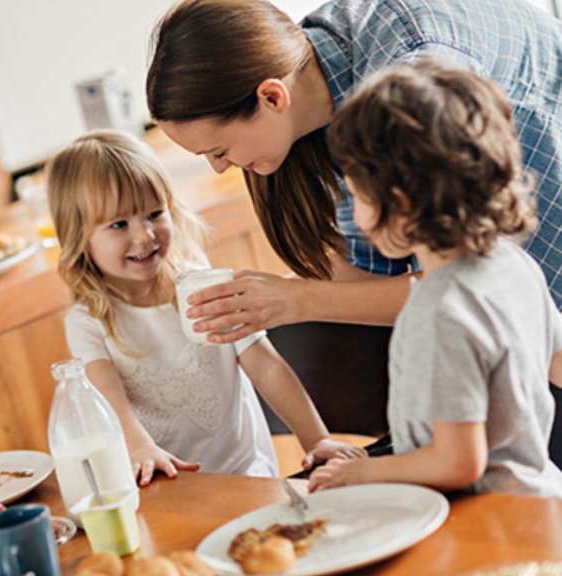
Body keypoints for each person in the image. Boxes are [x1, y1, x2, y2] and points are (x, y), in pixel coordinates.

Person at [146, 0, 562, 344]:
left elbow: (462, 282)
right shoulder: (319, 82)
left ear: (272, 97)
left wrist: (298, 300)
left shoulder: (408, 94)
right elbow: (372, 269)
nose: (219, 167)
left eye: (219, 150)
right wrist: (256, 298)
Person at [47, 129, 365, 485]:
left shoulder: (204, 287)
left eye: (154, 213)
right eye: (119, 224)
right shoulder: (88, 320)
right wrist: (140, 448)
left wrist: (316, 439)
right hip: (165, 484)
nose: (144, 236)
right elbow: (108, 395)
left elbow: (266, 367)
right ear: (79, 238)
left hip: (248, 476)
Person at [305, 60, 562, 497]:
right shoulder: (513, 263)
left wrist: (361, 475)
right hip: (540, 498)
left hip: (487, 524)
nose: (356, 215)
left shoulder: (440, 311)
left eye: (356, 194)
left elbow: (458, 462)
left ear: (400, 204)